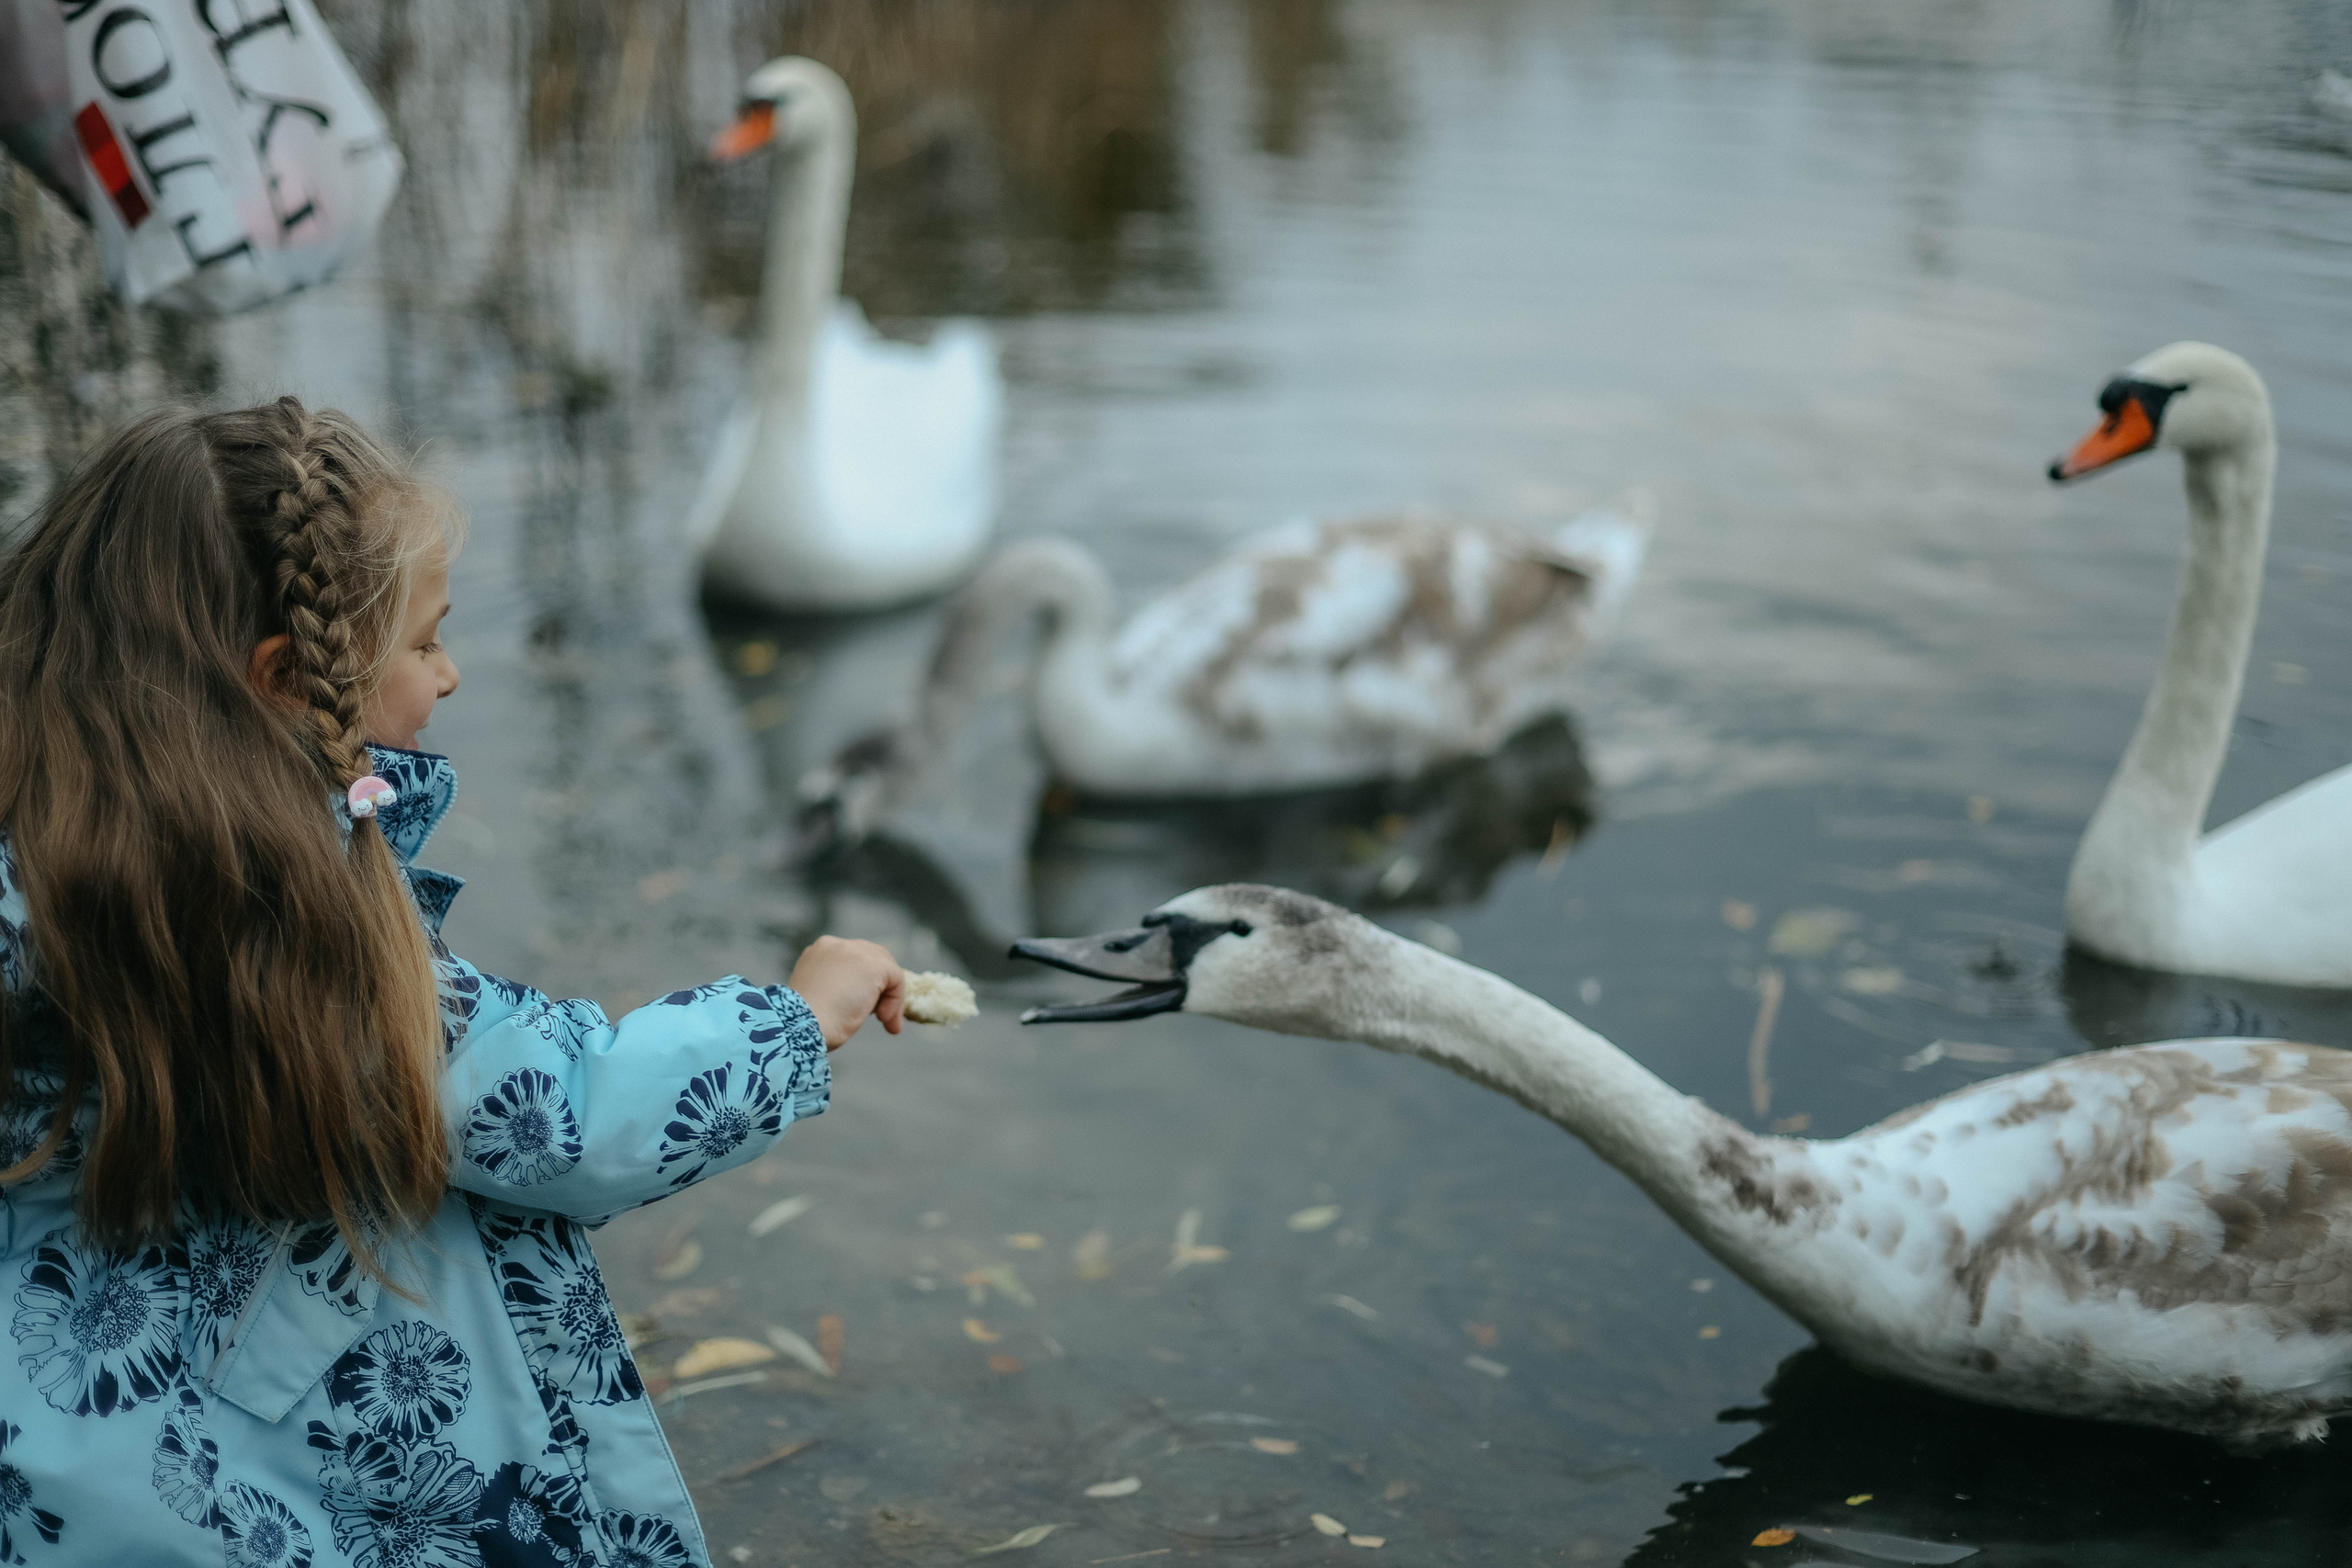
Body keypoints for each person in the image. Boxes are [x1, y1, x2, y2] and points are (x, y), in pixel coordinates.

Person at [0, 399, 905, 1567]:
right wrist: (790, 1021)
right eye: (425, 643)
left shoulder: (43, 855)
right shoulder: (279, 927)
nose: (452, 673)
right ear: (284, 678)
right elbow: (569, 1116)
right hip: (262, 1474)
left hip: (59, 1448)